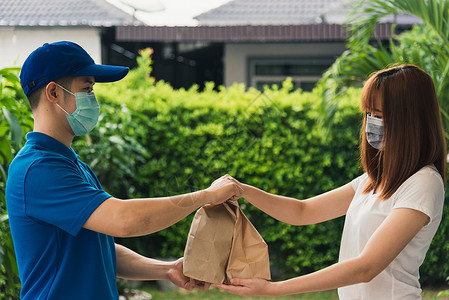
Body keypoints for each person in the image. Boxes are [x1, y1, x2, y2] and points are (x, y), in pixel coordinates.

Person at [5, 41, 242, 300]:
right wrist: (207, 195)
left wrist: (166, 269)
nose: (92, 100)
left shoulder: (69, 163)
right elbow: (125, 221)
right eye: (86, 89)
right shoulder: (38, 169)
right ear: (53, 92)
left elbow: (98, 248)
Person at [214, 64, 447, 299]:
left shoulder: (423, 184)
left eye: (380, 115)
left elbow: (366, 267)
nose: (371, 123)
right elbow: (302, 211)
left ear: (410, 119)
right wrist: (242, 190)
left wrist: (274, 289)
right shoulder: (373, 181)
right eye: (368, 114)